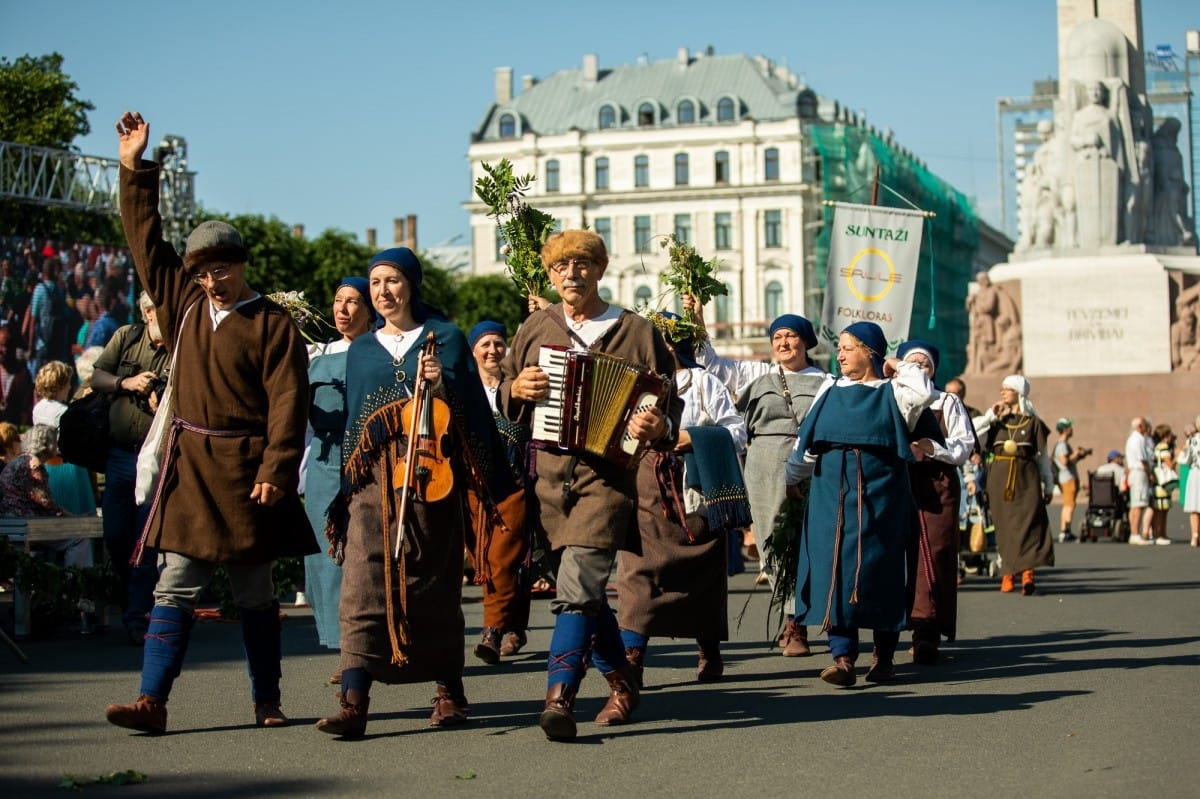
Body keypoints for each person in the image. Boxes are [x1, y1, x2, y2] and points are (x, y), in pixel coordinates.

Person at [104, 111, 317, 735]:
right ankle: (152, 701)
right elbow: (146, 240)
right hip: (192, 470)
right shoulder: (184, 304)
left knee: (254, 595)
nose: (210, 280)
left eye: (220, 268)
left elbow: (289, 402)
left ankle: (267, 701)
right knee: (174, 586)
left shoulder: (274, 324)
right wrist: (132, 167)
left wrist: (278, 471)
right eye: (201, 271)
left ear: (241, 264)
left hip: (249, 474)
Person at [316, 248, 514, 738]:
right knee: (362, 585)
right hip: (372, 482)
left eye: (393, 280)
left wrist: (441, 383)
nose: (384, 291)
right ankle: (354, 701)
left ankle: (449, 691)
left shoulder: (443, 338)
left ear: (412, 284)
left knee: (433, 583)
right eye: (376, 282)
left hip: (432, 478)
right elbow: (356, 423)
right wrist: (347, 483)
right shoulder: (362, 348)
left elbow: (471, 414)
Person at [499, 230, 680, 741]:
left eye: (582, 265)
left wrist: (657, 425)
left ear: (600, 270)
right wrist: (518, 388)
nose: (571, 275)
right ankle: (623, 680)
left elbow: (666, 401)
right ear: (551, 275)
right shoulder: (537, 326)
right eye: (561, 267)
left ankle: (560, 696)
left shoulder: (635, 330)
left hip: (607, 479)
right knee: (582, 593)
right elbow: (507, 396)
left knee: (577, 590)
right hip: (548, 479)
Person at [785, 322, 934, 687]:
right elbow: (805, 443)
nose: (839, 355)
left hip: (882, 495)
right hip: (828, 495)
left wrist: (898, 363)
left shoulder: (895, 392)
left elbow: (923, 392)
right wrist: (791, 481)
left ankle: (883, 657)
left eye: (848, 348)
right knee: (833, 567)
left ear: (869, 352)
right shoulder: (830, 388)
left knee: (880, 570)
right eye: (840, 348)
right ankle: (843, 657)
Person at [682, 293, 827, 657]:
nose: (783, 343)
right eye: (777, 337)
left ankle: (808, 621)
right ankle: (791, 618)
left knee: (808, 540)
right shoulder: (760, 373)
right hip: (763, 466)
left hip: (811, 466)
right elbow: (712, 366)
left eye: (790, 336)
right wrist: (698, 321)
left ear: (806, 342)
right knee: (772, 542)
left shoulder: (826, 382)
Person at [618, 312, 749, 684]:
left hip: (694, 489)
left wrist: (690, 437)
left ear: (671, 346)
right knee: (637, 573)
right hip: (645, 488)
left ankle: (709, 648)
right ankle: (633, 657)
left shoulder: (703, 382)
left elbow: (736, 432)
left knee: (703, 576)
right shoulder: (631, 386)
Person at [302, 277, 375, 670]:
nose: (342, 309)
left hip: (368, 461)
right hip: (324, 464)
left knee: (363, 554)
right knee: (328, 556)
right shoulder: (315, 356)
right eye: (337, 301)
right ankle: (342, 648)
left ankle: (363, 645)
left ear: (369, 311)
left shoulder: (379, 352)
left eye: (352, 302)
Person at [89, 291, 170, 644]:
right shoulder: (127, 337)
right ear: (148, 313)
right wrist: (128, 383)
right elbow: (97, 378)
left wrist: (159, 401)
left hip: (154, 456)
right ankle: (130, 601)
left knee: (145, 538)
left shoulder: (179, 349)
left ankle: (137, 616)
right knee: (117, 536)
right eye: (159, 312)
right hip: (120, 455)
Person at [897, 341, 972, 665]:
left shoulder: (947, 402)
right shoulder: (891, 397)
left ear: (934, 370)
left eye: (923, 365)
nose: (918, 369)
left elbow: (964, 446)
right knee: (895, 556)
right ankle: (886, 632)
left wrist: (933, 448)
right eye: (911, 363)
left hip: (937, 483)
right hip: (899, 481)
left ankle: (926, 631)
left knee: (934, 555)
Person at [466, 320, 533, 664]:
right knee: (487, 559)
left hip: (515, 484)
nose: (493, 350)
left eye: (498, 343)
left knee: (501, 558)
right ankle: (515, 626)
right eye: (485, 344)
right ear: (474, 351)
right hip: (473, 487)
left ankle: (491, 632)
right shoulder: (463, 390)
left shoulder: (517, 387)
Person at [973, 376, 1055, 595]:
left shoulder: (1033, 423)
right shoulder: (996, 421)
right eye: (1001, 389)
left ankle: (1028, 573)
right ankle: (1008, 573)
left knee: (1029, 525)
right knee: (1004, 527)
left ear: (1018, 392)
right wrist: (991, 415)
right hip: (999, 478)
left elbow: (1043, 457)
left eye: (1007, 389)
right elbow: (971, 434)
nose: (1002, 393)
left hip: (1026, 478)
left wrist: (1048, 483)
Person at [1052, 418, 1091, 543]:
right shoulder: (1062, 445)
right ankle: (1065, 531)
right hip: (1067, 478)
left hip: (1068, 477)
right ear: (1065, 430)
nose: (1072, 430)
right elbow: (1065, 461)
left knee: (1068, 504)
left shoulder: (1063, 444)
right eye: (1069, 427)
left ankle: (1065, 530)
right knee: (1069, 505)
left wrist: (1080, 456)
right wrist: (1076, 453)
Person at [1124, 417, 1156, 545]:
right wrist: (1150, 473)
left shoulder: (1133, 438)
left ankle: (1134, 533)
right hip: (1139, 472)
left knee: (1135, 504)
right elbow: (1143, 459)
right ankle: (1135, 533)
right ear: (1139, 426)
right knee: (1139, 505)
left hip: (1134, 472)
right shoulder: (1138, 439)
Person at [0, 324, 34, 426]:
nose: (4, 350)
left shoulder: (22, 375)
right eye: (1, 345)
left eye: (8, 345)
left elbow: (26, 410)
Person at [1148, 423, 1177, 545]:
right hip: (1162, 482)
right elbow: (1170, 464)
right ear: (1165, 436)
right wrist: (1178, 456)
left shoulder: (1157, 447)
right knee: (1160, 510)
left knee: (1163, 510)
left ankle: (1161, 534)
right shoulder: (1163, 447)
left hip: (1159, 481)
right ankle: (1159, 534)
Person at [1175, 418, 1200, 547]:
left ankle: (1195, 535)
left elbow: (1186, 460)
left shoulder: (1192, 440)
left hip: (1196, 473)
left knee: (1195, 507)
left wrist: (1179, 454)